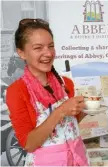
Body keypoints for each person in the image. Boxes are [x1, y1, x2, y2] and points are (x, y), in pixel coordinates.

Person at [6, 18, 89, 166]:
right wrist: (60, 111)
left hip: (77, 159)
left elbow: (68, 125)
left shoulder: (66, 83)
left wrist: (85, 109)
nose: (48, 53)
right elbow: (29, 144)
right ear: (21, 53)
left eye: (51, 46)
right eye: (38, 48)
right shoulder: (16, 91)